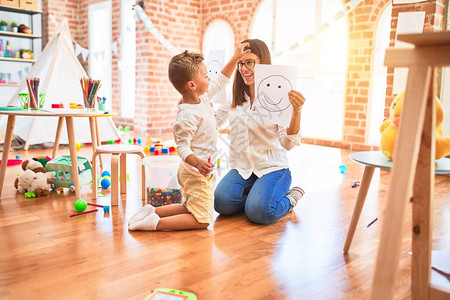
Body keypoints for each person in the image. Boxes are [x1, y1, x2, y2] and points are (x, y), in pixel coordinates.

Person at [128, 45, 250, 231]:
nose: (210, 79)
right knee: (202, 220)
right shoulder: (186, 115)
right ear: (192, 85)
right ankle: (155, 224)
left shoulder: (202, 98)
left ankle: (152, 211)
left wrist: (235, 58)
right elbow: (182, 147)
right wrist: (198, 163)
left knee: (190, 207)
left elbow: (221, 80)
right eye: (205, 75)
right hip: (195, 173)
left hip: (198, 171)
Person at [214, 39, 306, 225]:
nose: (243, 68)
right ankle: (256, 195)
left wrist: (296, 112)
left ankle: (291, 197)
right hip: (243, 168)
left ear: (262, 63)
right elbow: (213, 122)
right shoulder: (236, 97)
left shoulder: (278, 96)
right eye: (241, 63)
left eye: (250, 62)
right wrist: (198, 104)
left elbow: (287, 143)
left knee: (259, 213)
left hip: (272, 168)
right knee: (221, 204)